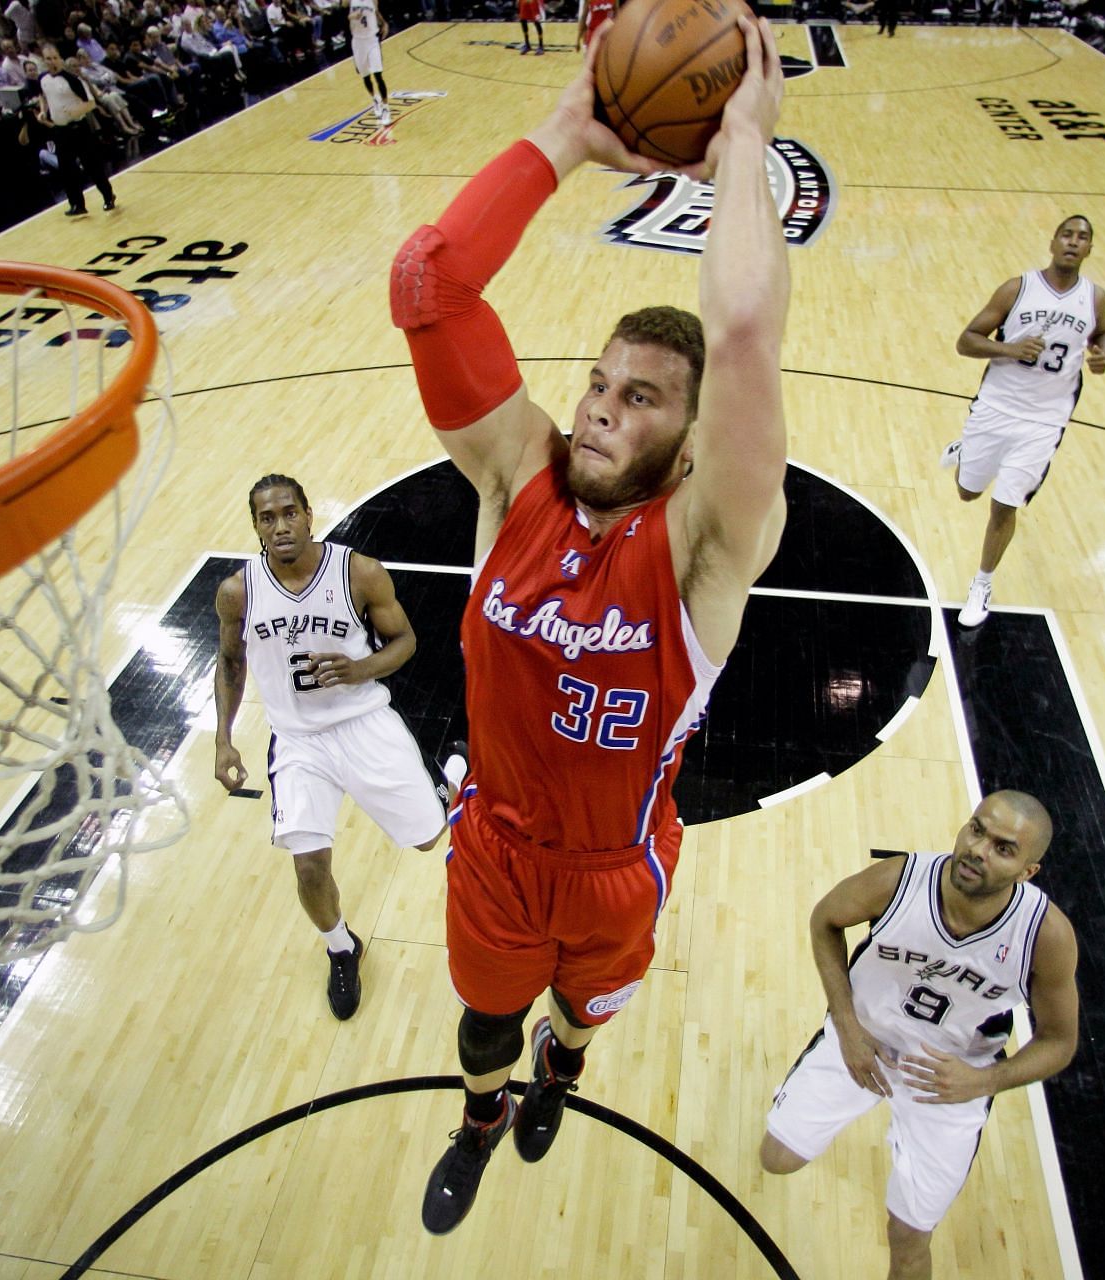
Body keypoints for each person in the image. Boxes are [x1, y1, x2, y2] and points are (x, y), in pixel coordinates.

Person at [390, 16, 788, 1235]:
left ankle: (562, 1075)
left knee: (577, 1021)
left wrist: (743, 146)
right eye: (601, 384)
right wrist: (569, 129)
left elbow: (742, 336)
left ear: (689, 433)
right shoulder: (518, 475)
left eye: (643, 398)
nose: (605, 409)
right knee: (484, 1022)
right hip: (495, 846)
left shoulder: (706, 543)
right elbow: (430, 282)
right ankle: (480, 1116)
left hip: (619, 869)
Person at [760, 791, 1079, 1280]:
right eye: (977, 830)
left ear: (1026, 872)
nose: (978, 849)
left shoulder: (1045, 936)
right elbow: (824, 920)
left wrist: (982, 1083)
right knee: (776, 1159)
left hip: (952, 1081)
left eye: (1003, 848)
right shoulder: (898, 881)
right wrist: (845, 1026)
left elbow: (1060, 1042)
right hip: (863, 1042)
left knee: (909, 1238)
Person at [213, 474, 452, 1020]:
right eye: (267, 518)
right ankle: (342, 947)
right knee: (308, 868)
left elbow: (406, 641)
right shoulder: (237, 592)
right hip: (298, 743)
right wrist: (224, 740)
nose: (280, 526)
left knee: (427, 841)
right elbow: (230, 662)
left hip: (364, 723)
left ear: (308, 514)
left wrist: (358, 669)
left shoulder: (357, 572)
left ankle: (451, 768)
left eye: (289, 513)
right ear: (255, 527)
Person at [944, 214, 1105, 628]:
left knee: (1006, 504)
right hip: (997, 407)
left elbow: (1102, 332)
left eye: (1083, 238)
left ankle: (982, 584)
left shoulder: (1095, 298)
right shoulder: (1017, 289)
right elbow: (966, 341)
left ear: (1090, 249)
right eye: (1067, 235)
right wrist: (1010, 350)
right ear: (1053, 242)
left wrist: (1103, 353)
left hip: (1044, 421)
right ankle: (966, 451)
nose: (1074, 242)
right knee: (968, 493)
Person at [35, 41, 117, 214]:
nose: (52, 61)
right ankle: (77, 204)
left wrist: (74, 111)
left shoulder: (72, 80)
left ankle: (108, 196)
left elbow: (91, 103)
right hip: (60, 130)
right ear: (43, 60)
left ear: (60, 59)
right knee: (66, 170)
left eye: (55, 58)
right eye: (48, 59)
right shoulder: (43, 79)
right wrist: (43, 111)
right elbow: (42, 96)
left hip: (78, 128)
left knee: (92, 166)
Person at [349, 0, 389, 119]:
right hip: (357, 41)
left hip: (372, 40)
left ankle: (386, 108)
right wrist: (351, 16)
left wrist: (384, 23)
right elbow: (342, 17)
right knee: (365, 76)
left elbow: (376, 12)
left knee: (378, 74)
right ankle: (375, 99)